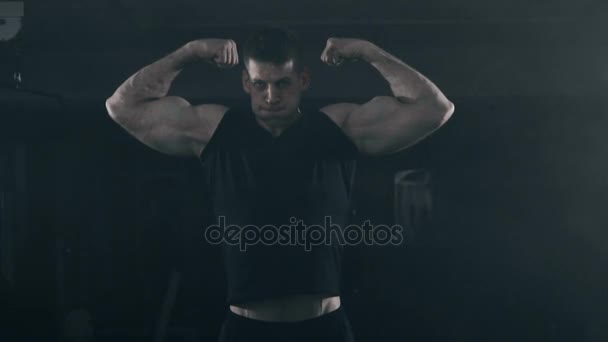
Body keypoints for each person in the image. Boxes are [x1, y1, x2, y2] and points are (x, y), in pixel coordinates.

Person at [105, 26, 454, 342]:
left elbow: (434, 109)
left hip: (323, 328)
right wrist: (190, 51)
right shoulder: (215, 131)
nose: (271, 95)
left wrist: (367, 51)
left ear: (303, 80)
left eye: (283, 83)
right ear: (246, 83)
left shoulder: (339, 128)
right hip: (247, 330)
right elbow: (123, 107)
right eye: (260, 84)